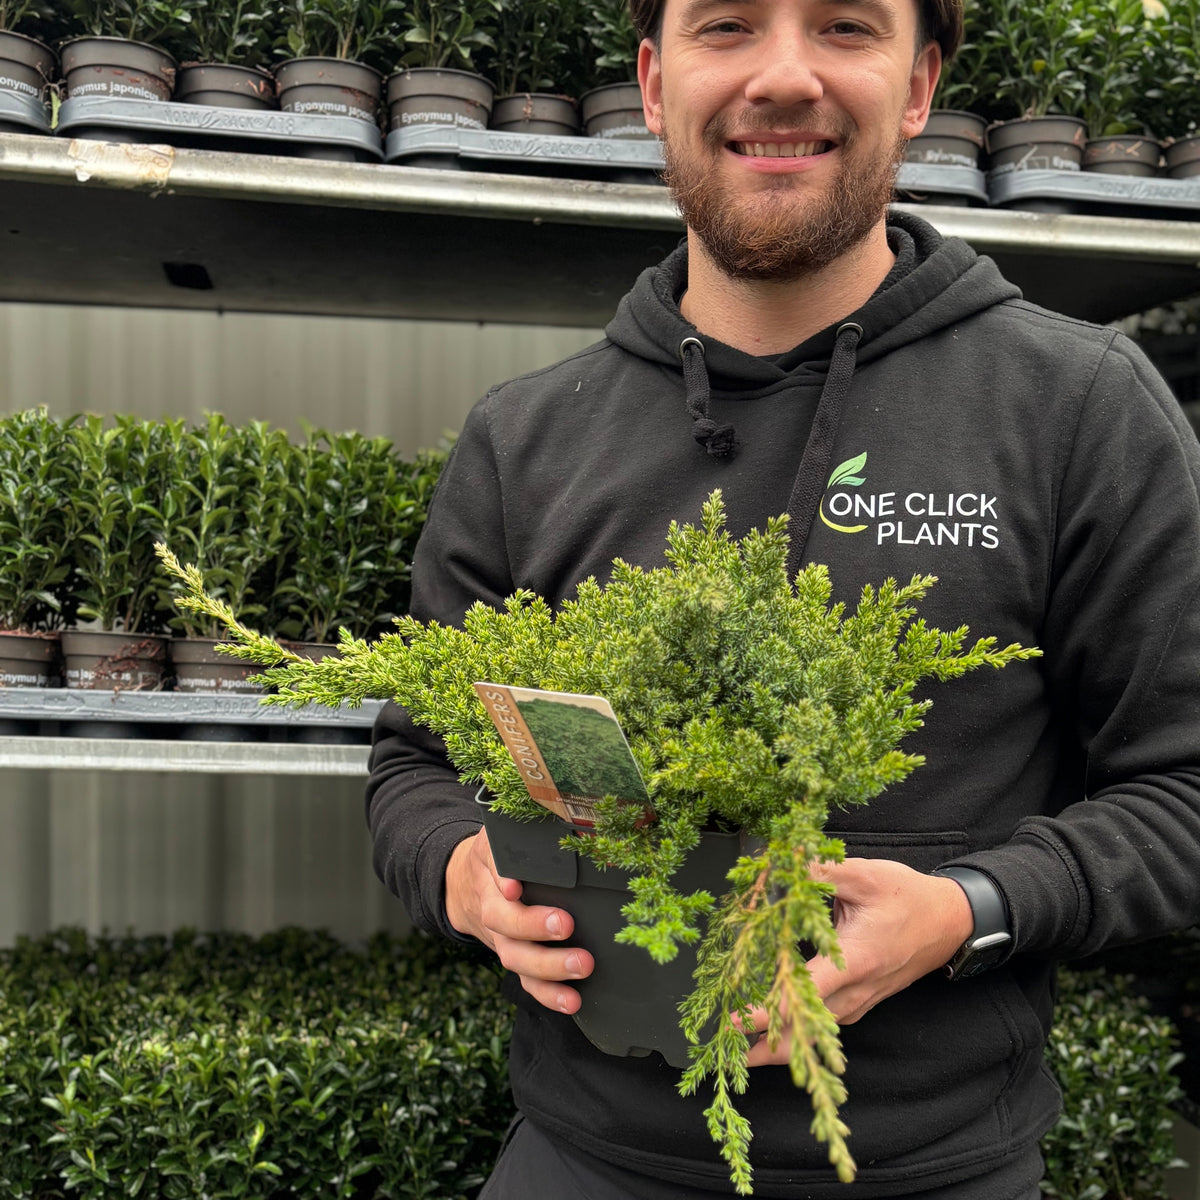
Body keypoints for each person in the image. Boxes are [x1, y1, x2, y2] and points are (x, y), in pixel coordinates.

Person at [366, 0, 1200, 1194]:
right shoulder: (526, 438)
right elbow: (415, 764)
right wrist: (461, 870)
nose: (785, 76)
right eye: (730, 26)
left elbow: (1183, 786)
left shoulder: (1077, 410)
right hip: (581, 1159)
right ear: (655, 84)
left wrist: (969, 907)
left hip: (937, 1169)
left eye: (848, 27)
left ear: (920, 86)